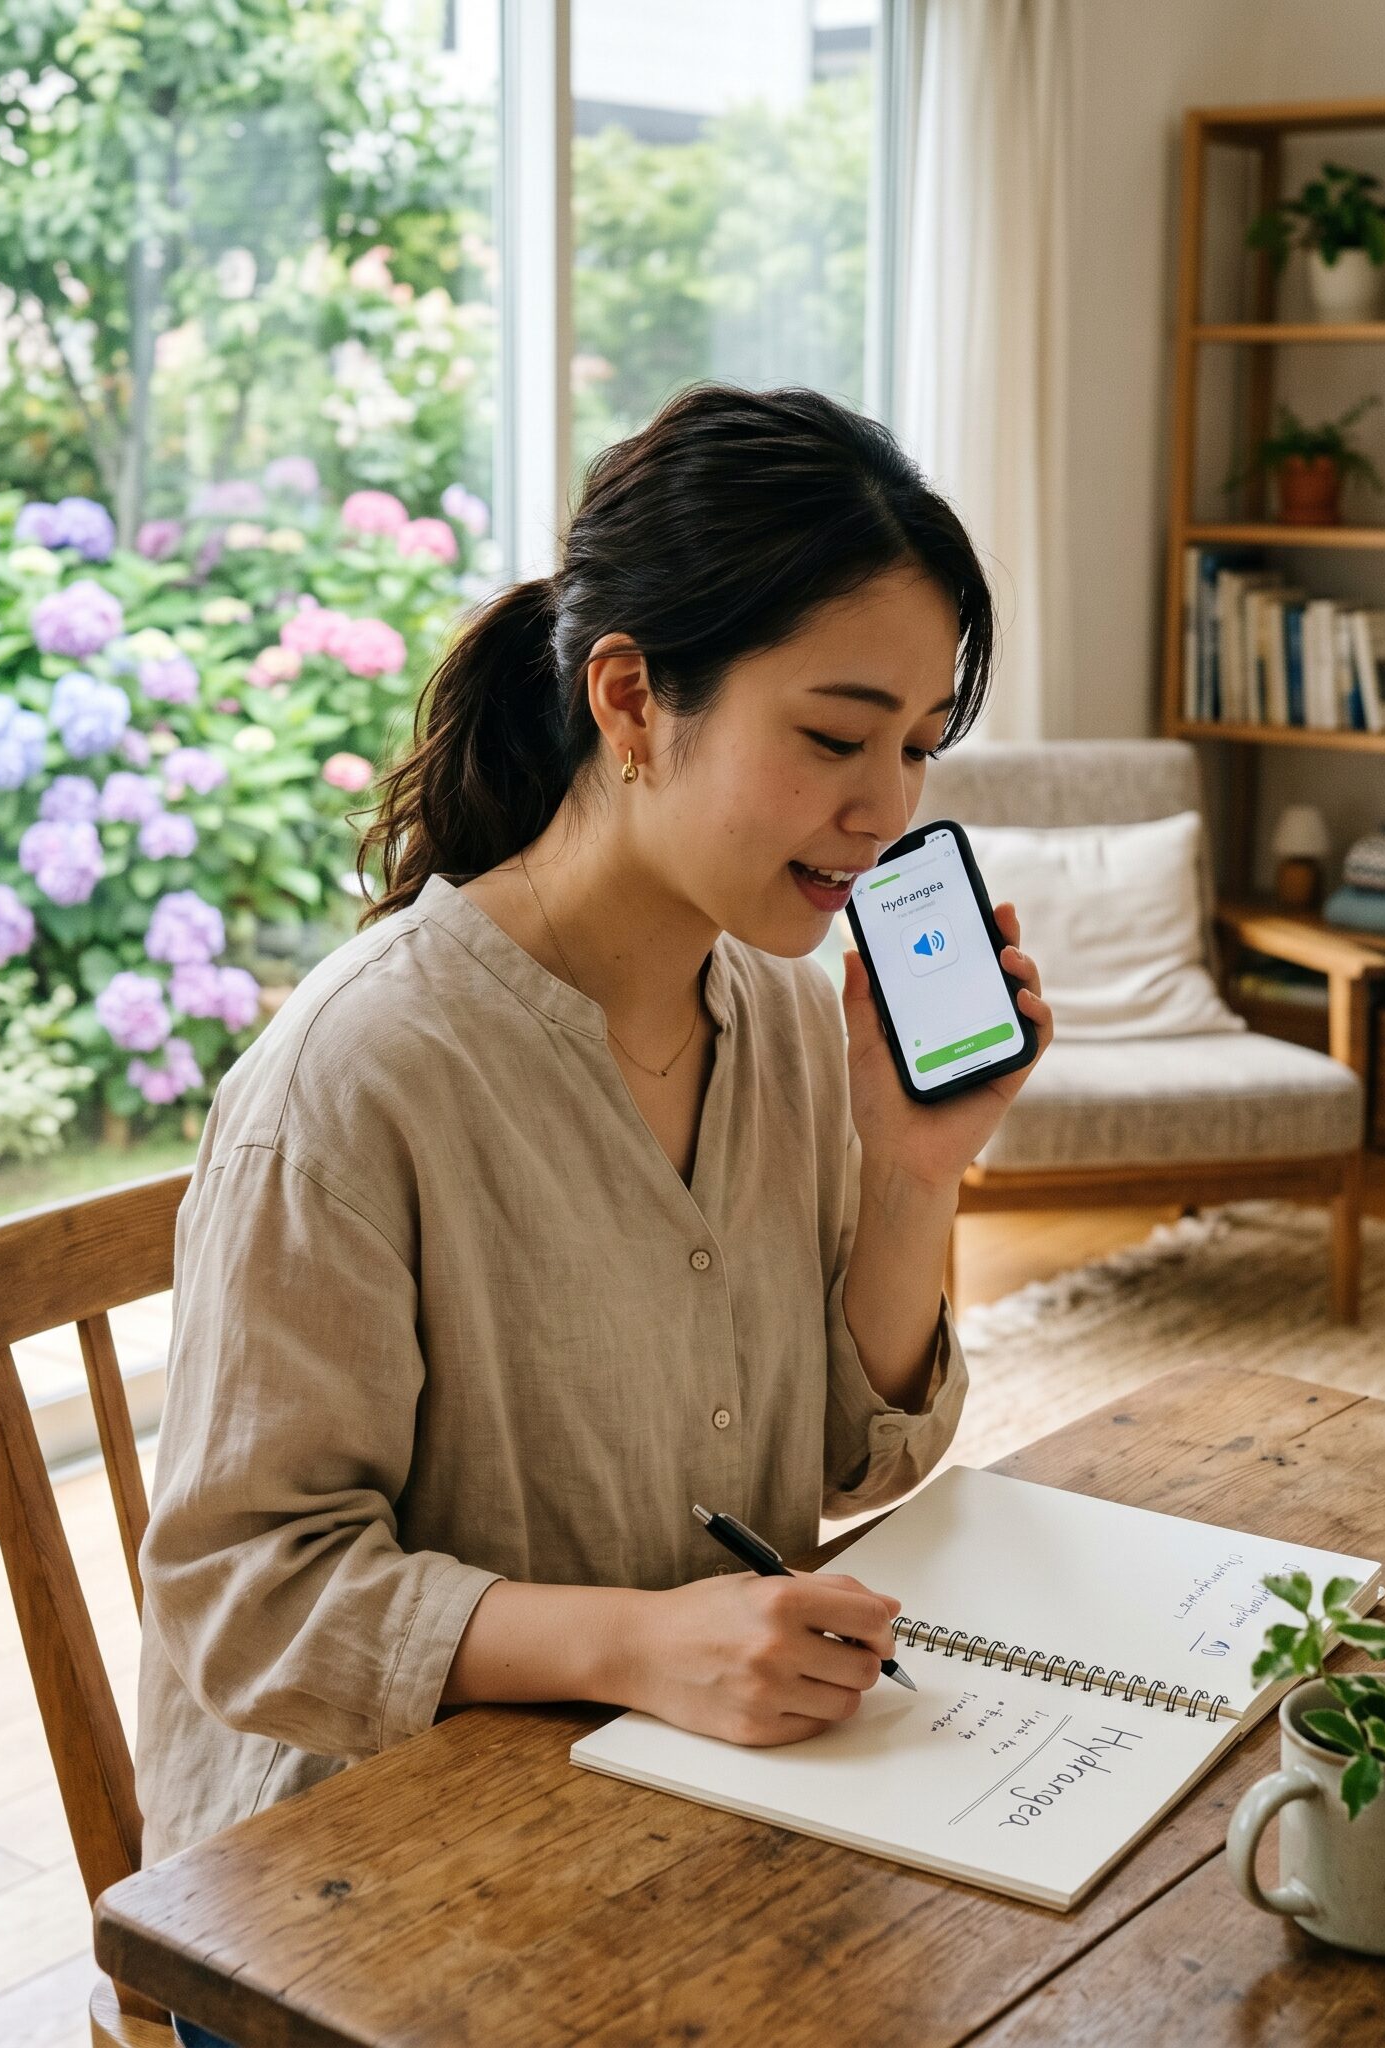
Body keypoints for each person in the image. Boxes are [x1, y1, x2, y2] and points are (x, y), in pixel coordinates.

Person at [141, 384, 1051, 2047]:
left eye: (920, 746)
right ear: (630, 698)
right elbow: (244, 1597)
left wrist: (916, 1169)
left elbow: (849, 1467)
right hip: (352, 1904)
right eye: (835, 738)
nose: (888, 809)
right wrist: (638, 1646)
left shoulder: (784, 1015)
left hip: (690, 1798)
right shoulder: (359, 1077)